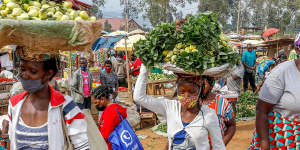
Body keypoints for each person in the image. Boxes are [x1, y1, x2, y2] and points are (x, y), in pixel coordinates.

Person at [8, 47, 89, 149]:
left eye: (32, 71)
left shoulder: (66, 106)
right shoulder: (14, 105)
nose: (24, 75)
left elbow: (82, 146)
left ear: (48, 74)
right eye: (23, 69)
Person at [134, 64, 226, 150]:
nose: (186, 96)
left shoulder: (208, 115)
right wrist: (145, 66)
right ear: (177, 91)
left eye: (192, 92)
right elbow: (139, 98)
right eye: (182, 92)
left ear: (200, 90)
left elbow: (219, 146)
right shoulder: (170, 107)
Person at [249, 37, 300, 149]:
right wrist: (264, 143)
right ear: (297, 50)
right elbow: (261, 109)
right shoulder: (282, 72)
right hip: (280, 138)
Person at [201, 76, 236, 146]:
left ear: (211, 85)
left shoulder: (222, 103)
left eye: (203, 84)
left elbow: (231, 126)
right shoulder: (188, 103)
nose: (199, 87)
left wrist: (221, 145)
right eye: (196, 84)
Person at [92, 85, 127, 150]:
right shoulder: (117, 108)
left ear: (102, 99)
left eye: (96, 102)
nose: (95, 105)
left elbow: (105, 135)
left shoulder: (109, 112)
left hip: (113, 147)